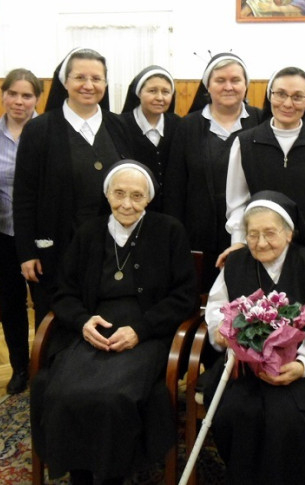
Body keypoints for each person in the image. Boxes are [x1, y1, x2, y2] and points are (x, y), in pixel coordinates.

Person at [32, 161, 197, 484]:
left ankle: (112, 476)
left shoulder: (169, 231)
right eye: (119, 193)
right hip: (93, 329)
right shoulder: (88, 232)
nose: (127, 204)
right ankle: (80, 475)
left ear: (149, 198)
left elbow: (185, 297)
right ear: (107, 194)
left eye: (137, 196)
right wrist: (82, 322)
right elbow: (64, 292)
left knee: (114, 398)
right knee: (63, 393)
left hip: (147, 333)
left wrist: (141, 330)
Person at [205, 190, 305, 485]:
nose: (260, 242)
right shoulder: (235, 263)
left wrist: (304, 366)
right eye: (252, 234)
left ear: (289, 233)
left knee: (289, 418)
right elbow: (217, 307)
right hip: (245, 369)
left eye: (270, 233)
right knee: (236, 412)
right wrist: (222, 332)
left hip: (299, 369)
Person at [13, 48, 132, 327]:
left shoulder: (120, 126)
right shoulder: (39, 130)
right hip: (56, 250)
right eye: (80, 77)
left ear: (105, 83)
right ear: (64, 81)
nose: (88, 85)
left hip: (110, 251)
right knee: (54, 325)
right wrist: (27, 252)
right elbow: (24, 196)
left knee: (106, 320)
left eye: (96, 78)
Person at [224, 66, 305, 276]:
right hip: (257, 249)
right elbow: (237, 203)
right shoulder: (244, 143)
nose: (288, 103)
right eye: (280, 94)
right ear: (269, 95)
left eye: (298, 97)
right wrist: (238, 241)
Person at [164, 53, 264, 284]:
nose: (228, 87)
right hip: (198, 235)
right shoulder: (188, 126)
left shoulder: (261, 121)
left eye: (235, 80)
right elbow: (174, 186)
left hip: (252, 234)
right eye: (220, 80)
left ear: (246, 85)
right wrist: (175, 236)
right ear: (207, 85)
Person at [0, 68, 42, 394]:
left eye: (27, 95)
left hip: (38, 234)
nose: (19, 101)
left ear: (37, 99)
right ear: (3, 95)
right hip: (2, 231)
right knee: (10, 303)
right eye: (13, 94)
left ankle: (45, 365)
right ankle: (19, 367)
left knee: (44, 301)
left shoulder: (48, 131)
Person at [120, 65, 179, 213]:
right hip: (131, 209)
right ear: (139, 93)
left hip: (171, 210)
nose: (159, 97)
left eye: (166, 92)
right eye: (152, 91)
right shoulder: (120, 125)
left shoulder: (179, 125)